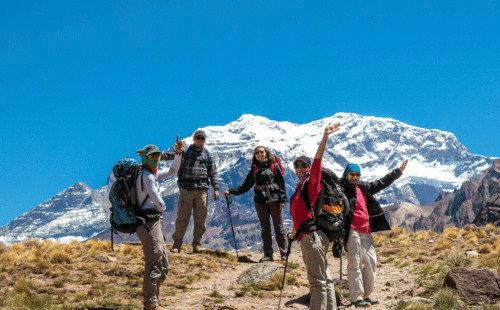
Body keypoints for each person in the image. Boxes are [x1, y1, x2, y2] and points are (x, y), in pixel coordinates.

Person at [340, 159, 408, 308]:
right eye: (352, 174)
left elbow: (382, 182)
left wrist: (398, 171)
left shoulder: (364, 188)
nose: (355, 177)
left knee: (370, 262)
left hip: (366, 230)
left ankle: (366, 295)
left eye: (358, 174)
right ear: (346, 175)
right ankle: (356, 298)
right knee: (355, 263)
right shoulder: (342, 189)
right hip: (352, 229)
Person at [289, 122, 341, 310]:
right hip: (311, 237)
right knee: (325, 280)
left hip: (312, 240)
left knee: (316, 283)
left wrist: (325, 137)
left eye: (304, 165)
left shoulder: (312, 184)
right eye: (297, 165)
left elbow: (318, 161)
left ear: (309, 168)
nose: (300, 168)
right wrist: (294, 233)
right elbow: (301, 217)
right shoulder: (299, 189)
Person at [135, 137, 184, 310]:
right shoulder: (147, 176)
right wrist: (164, 206)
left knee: (162, 264)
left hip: (154, 222)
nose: (155, 159)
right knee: (154, 261)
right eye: (152, 157)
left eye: (157, 156)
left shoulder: (152, 174)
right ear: (146, 158)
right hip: (148, 221)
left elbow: (172, 171)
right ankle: (150, 304)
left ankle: (153, 299)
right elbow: (157, 200)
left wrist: (178, 154)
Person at [223, 146, 288, 262]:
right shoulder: (254, 170)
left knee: (279, 227)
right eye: (257, 153)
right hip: (260, 201)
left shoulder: (274, 166)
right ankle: (268, 255)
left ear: (266, 154)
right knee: (265, 228)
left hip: (275, 200)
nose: (259, 154)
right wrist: (231, 191)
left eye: (261, 152)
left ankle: (284, 253)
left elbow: (281, 184)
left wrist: (282, 200)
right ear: (255, 155)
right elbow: (245, 186)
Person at [171, 129, 219, 253]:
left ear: (204, 140)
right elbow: (170, 156)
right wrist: (147, 155)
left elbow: (213, 173)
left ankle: (197, 244)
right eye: (198, 138)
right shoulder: (185, 152)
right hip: (186, 189)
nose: (200, 140)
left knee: (200, 218)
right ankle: (177, 245)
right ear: (193, 139)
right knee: (182, 217)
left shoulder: (208, 155)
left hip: (202, 190)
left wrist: (216, 189)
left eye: (202, 138)